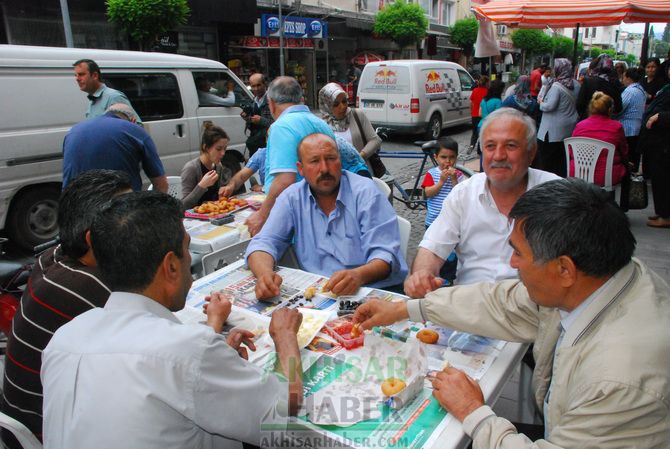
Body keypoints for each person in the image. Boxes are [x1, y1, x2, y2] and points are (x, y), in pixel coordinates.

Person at [354, 178, 670, 449]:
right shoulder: (602, 277)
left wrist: (473, 411)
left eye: (518, 252)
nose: (512, 264)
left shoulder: (618, 379)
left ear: (564, 269)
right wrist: (406, 309)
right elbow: (499, 301)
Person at [41, 191, 304, 449]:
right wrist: (286, 338)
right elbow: (285, 406)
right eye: (187, 250)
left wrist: (214, 359)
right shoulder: (187, 351)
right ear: (171, 267)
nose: (189, 260)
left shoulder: (62, 338)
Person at [1, 170, 131, 447]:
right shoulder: (90, 288)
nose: (139, 227)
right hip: (49, 429)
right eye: (130, 220)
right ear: (93, 238)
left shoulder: (55, 257)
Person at [404, 108, 558, 297]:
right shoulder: (463, 193)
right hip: (471, 309)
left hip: (533, 310)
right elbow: (433, 248)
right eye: (490, 146)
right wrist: (421, 275)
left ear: (531, 151)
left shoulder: (555, 194)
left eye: (510, 146)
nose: (499, 155)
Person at [246, 133, 408, 298]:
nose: (324, 168)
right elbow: (264, 242)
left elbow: (385, 256)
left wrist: (358, 275)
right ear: (300, 169)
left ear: (340, 161)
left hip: (373, 289)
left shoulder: (365, 192)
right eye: (314, 161)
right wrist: (265, 275)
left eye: (331, 158)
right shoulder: (291, 198)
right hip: (320, 294)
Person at [245, 76, 336, 236]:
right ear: (300, 99)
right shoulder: (321, 124)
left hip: (296, 219)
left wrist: (261, 215)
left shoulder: (281, 127)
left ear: (271, 102)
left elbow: (285, 180)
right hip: (322, 213)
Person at [62, 103, 167, 192]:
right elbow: (160, 182)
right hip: (120, 206)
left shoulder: (73, 131)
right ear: (133, 120)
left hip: (78, 203)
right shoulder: (135, 131)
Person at [571, 92, 630, 209]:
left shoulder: (580, 126)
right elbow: (624, 151)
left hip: (580, 172)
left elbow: (571, 151)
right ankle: (622, 208)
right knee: (626, 170)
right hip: (606, 175)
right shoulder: (616, 127)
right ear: (609, 110)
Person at [318, 82, 386, 177]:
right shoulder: (322, 125)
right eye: (336, 104)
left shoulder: (357, 115)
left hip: (362, 173)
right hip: (337, 177)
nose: (342, 106)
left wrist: (359, 157)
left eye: (344, 101)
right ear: (327, 106)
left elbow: (375, 140)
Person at [421, 137, 464, 284]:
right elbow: (428, 193)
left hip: (452, 222)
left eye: (452, 158)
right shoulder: (431, 174)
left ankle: (448, 278)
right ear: (436, 157)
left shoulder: (458, 175)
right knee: (434, 250)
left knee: (451, 253)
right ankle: (433, 276)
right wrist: (441, 181)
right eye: (443, 157)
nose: (448, 161)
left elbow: (459, 195)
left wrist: (453, 180)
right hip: (433, 220)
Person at [536, 58, 580, 178]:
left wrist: (541, 103)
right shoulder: (575, 84)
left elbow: (550, 106)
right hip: (568, 128)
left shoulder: (556, 86)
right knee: (562, 159)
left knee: (549, 161)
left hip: (553, 130)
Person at [638, 64, 670, 228]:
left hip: (664, 142)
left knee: (664, 179)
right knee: (659, 179)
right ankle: (662, 211)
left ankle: (666, 215)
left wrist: (660, 116)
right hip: (657, 143)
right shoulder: (666, 87)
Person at [181, 122, 233, 209]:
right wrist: (201, 186)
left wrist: (225, 190)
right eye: (218, 149)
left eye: (225, 149)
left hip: (213, 216)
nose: (223, 153)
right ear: (206, 147)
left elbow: (217, 198)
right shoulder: (191, 168)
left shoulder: (218, 166)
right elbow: (183, 206)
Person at [73, 58, 139, 121]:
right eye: (75, 75)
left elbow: (136, 127)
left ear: (95, 75)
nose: (77, 78)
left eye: (81, 74)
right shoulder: (92, 100)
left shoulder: (113, 97)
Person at [614, 67, 647, 172]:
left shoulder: (629, 91)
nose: (622, 80)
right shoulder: (641, 90)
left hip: (627, 128)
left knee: (626, 158)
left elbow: (620, 109)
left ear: (628, 78)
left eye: (623, 77)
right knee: (633, 157)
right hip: (637, 128)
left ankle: (625, 180)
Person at [577, 54, 622, 119]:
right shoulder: (615, 83)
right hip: (607, 124)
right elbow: (619, 108)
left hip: (588, 121)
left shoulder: (589, 81)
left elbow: (579, 104)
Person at [241, 73, 273, 157]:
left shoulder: (272, 100)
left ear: (264, 84)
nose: (256, 89)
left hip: (268, 143)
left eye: (259, 85)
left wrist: (261, 120)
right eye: (253, 86)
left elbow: (277, 123)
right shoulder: (253, 101)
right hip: (255, 144)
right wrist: (247, 118)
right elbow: (251, 125)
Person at [469, 75, 488, 150]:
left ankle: (471, 145)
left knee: (474, 132)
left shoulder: (475, 90)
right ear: (486, 83)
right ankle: (479, 148)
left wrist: (471, 110)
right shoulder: (487, 92)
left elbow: (471, 102)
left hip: (474, 114)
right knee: (482, 132)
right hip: (483, 115)